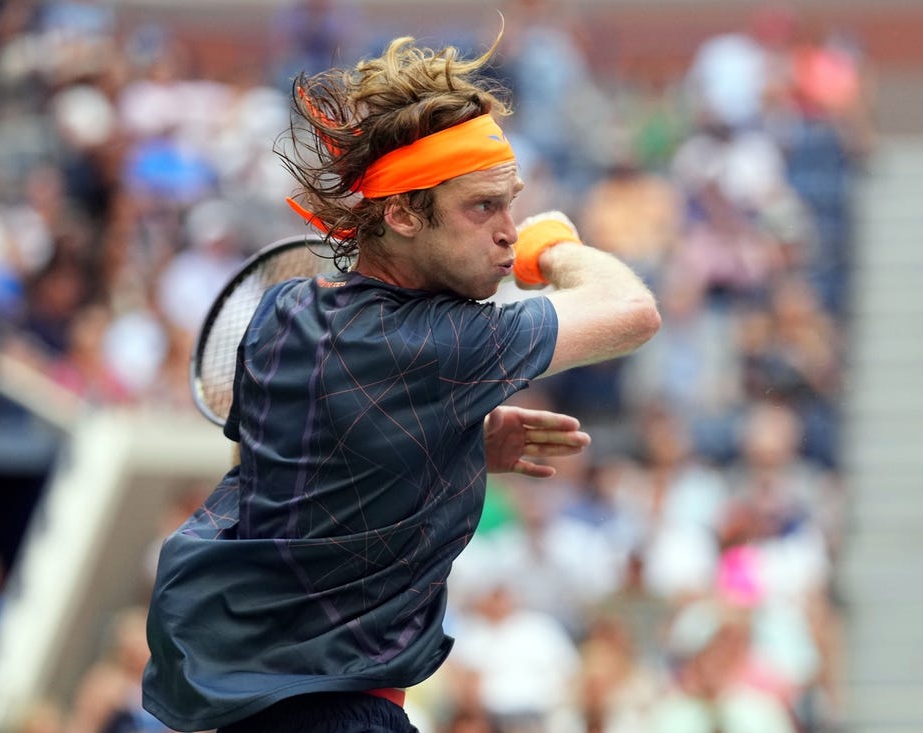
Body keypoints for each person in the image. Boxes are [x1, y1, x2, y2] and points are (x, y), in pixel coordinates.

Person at [141, 31, 660, 733]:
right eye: (484, 208)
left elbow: (308, 461)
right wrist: (555, 247)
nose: (507, 230)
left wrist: (458, 439)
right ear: (402, 214)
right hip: (336, 713)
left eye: (514, 206)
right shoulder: (439, 343)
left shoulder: (285, 312)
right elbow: (632, 311)